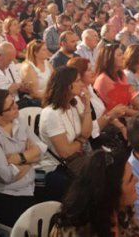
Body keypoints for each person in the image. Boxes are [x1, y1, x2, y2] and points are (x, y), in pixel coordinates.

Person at [0, 88, 47, 227]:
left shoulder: (18, 120)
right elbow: (7, 176)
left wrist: (20, 158)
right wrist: (31, 158)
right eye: (11, 107)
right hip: (5, 195)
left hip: (31, 183)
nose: (17, 107)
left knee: (63, 195)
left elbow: (42, 149)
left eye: (14, 102)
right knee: (39, 225)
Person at [50, 149, 139, 237]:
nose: (137, 179)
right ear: (112, 192)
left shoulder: (125, 208)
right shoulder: (79, 229)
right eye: (130, 179)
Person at [38, 65, 94, 202]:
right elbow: (65, 152)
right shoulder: (52, 114)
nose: (82, 84)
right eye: (78, 81)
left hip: (77, 157)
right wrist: (81, 141)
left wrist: (87, 105)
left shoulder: (73, 105)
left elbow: (87, 132)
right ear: (68, 86)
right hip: (59, 165)